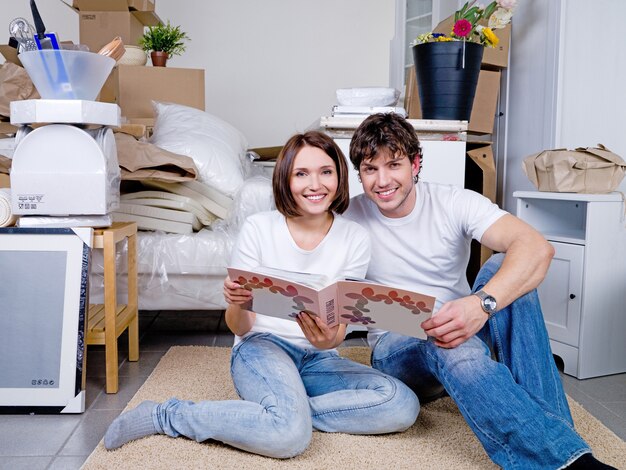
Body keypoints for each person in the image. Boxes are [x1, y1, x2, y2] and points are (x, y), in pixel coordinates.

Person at [103, 130, 419, 457]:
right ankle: (168, 414)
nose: (315, 184)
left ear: (339, 177)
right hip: (262, 347)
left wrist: (324, 337)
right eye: (301, 174)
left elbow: (334, 339)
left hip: (320, 357)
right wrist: (237, 303)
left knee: (401, 404)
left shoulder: (354, 237)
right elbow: (239, 327)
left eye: (326, 172)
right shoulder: (259, 228)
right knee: (289, 439)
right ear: (285, 180)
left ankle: (288, 411)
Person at [344, 113, 614, 470]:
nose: (382, 181)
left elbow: (537, 248)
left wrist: (481, 304)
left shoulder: (454, 201)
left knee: (508, 268)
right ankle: (568, 462)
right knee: (445, 338)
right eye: (369, 169)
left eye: (393, 165)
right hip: (398, 349)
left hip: (463, 326)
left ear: (415, 163)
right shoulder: (347, 215)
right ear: (359, 174)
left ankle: (554, 443)